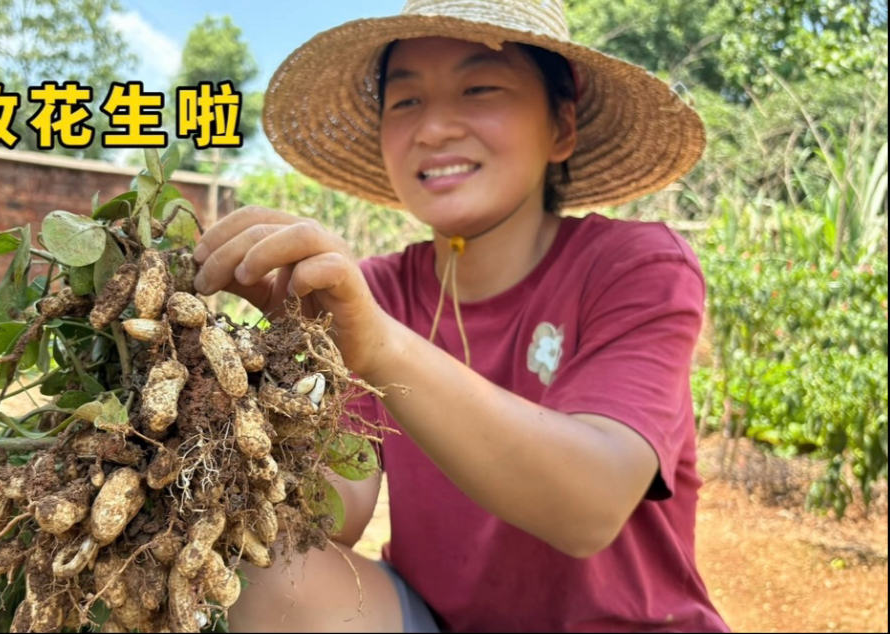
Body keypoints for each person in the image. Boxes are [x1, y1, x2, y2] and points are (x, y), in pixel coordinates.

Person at [191, 0, 729, 631]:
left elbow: (591, 507)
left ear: (561, 126)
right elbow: (334, 516)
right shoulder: (379, 293)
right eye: (407, 101)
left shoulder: (633, 267)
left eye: (479, 88)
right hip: (441, 619)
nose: (435, 128)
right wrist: (281, 376)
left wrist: (378, 347)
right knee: (269, 571)